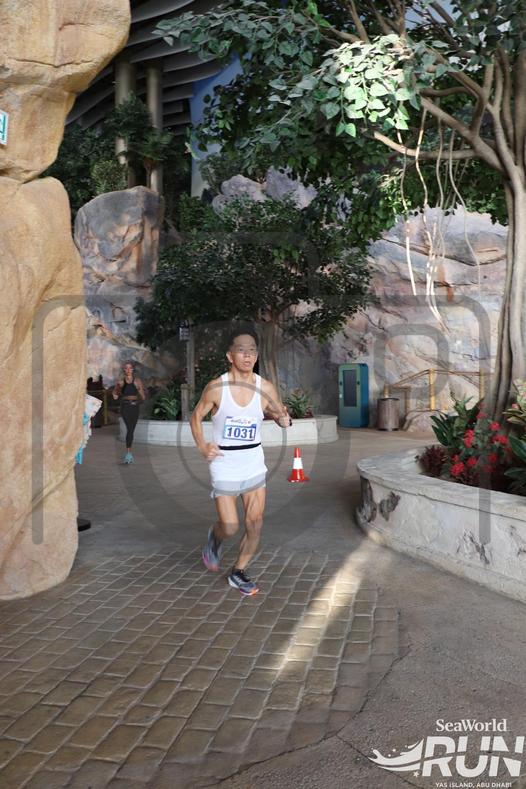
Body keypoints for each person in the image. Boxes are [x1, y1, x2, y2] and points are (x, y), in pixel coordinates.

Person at [190, 328, 291, 595]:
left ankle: (238, 571)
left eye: (252, 351)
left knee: (255, 523)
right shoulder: (216, 388)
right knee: (230, 525)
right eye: (241, 350)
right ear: (229, 355)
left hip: (253, 460)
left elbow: (278, 414)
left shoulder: (265, 387)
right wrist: (202, 445)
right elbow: (196, 416)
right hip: (224, 462)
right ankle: (215, 537)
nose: (248, 356)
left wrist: (283, 419)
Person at [113, 361, 146, 464]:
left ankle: (129, 454)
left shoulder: (137, 381)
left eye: (130, 368)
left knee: (131, 430)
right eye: (126, 368)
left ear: (132, 369)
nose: (128, 370)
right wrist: (116, 392)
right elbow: (115, 395)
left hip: (135, 407)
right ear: (124, 370)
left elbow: (143, 396)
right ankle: (128, 454)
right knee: (130, 429)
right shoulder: (121, 381)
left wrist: (141, 395)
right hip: (125, 407)